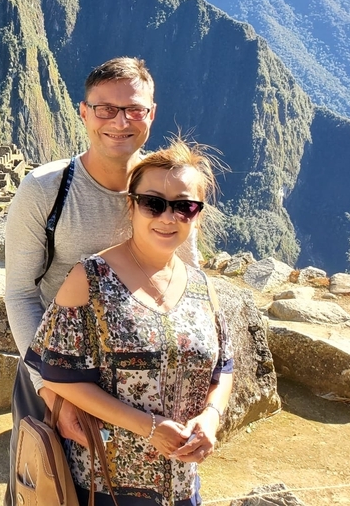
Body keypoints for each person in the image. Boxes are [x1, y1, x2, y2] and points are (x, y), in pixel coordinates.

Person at [6, 57, 190, 505]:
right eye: (105, 109)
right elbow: (20, 292)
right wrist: (51, 392)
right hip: (57, 373)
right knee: (48, 492)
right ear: (84, 113)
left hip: (145, 389)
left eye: (134, 109)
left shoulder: (168, 191)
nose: (120, 121)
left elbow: (187, 286)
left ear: (152, 114)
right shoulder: (45, 190)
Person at [25, 138, 234, 506]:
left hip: (182, 485)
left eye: (183, 207)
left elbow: (223, 369)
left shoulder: (203, 288)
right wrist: (149, 428)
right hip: (104, 483)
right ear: (132, 205)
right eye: (153, 204)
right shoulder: (90, 280)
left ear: (197, 214)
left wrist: (211, 417)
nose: (168, 217)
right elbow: (56, 372)